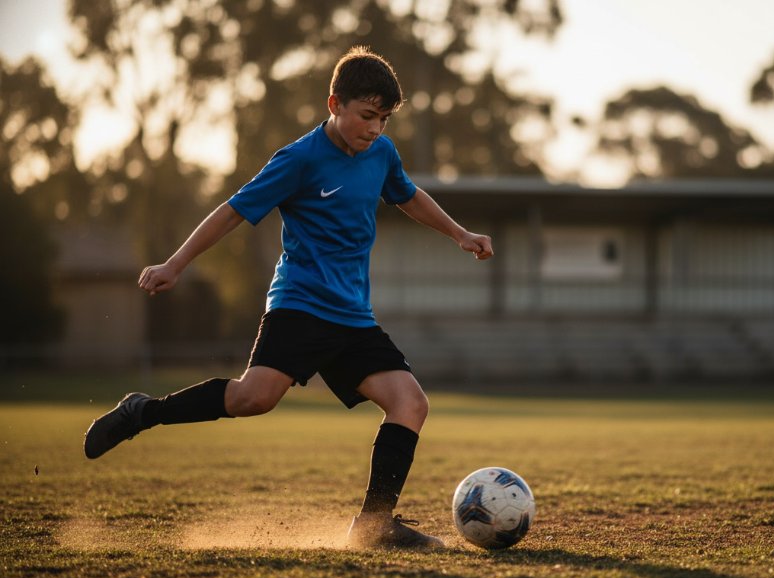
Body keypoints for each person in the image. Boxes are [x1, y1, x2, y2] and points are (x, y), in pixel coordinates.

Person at [83, 46, 493, 549]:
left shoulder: (381, 153)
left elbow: (407, 195)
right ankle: (142, 412)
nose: (375, 129)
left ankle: (373, 526)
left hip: (353, 318)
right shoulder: (297, 160)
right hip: (298, 305)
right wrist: (175, 263)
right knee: (253, 398)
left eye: (383, 119)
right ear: (334, 104)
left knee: (410, 403)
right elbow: (233, 211)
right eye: (366, 116)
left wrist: (459, 234)